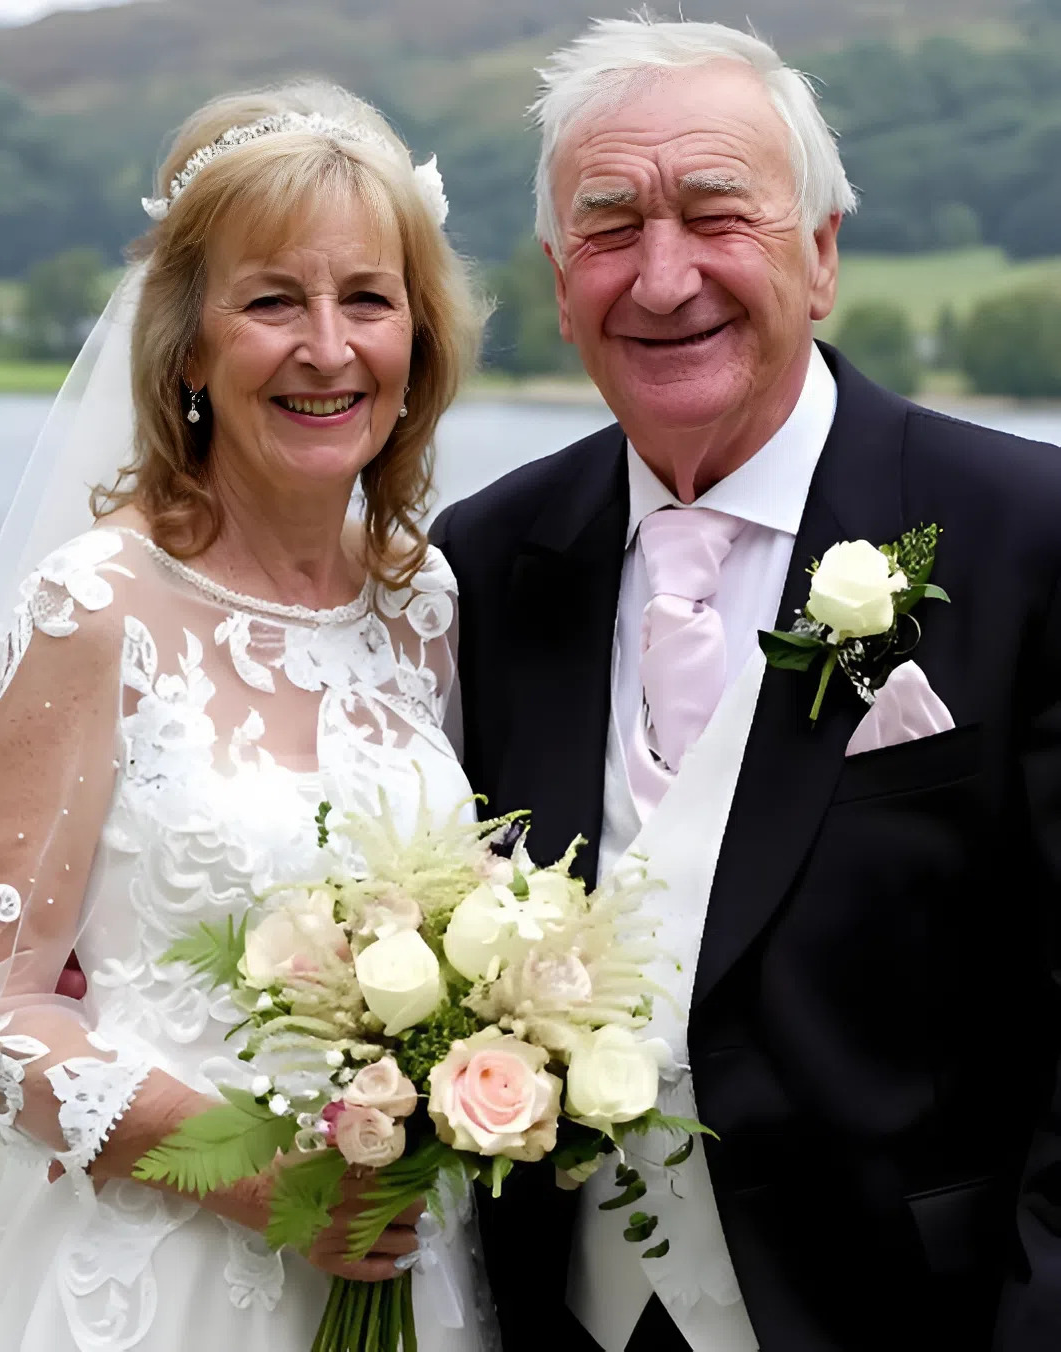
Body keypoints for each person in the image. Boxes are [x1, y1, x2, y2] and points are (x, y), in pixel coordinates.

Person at [432, 17, 1061, 1352]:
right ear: (560, 284)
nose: (663, 279)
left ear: (820, 254)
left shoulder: (1030, 534)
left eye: (716, 214)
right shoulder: (480, 562)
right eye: (610, 228)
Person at [0, 81, 497, 1350]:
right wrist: (250, 1177)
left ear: (418, 337)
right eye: (273, 301)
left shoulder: (422, 602)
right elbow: (4, 1010)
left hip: (412, 1268)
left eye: (368, 299)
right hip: (167, 1274)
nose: (327, 349)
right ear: (187, 346)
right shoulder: (94, 606)